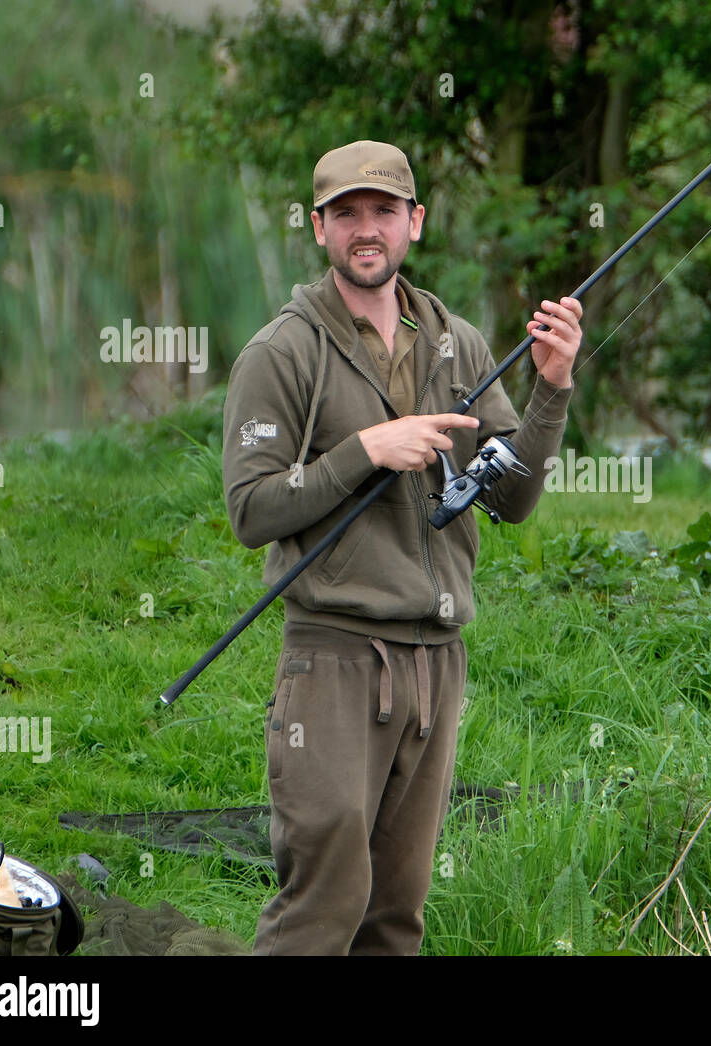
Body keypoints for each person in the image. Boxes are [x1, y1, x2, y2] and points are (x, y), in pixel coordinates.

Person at [220, 140, 582, 955]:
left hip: (437, 663)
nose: (366, 229)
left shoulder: (458, 343)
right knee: (324, 905)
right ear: (320, 229)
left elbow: (513, 499)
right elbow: (250, 510)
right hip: (335, 660)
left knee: (396, 915)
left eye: (384, 210)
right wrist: (366, 451)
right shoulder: (281, 352)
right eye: (346, 213)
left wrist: (551, 392)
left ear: (414, 222)